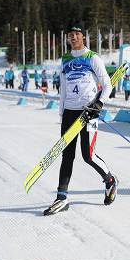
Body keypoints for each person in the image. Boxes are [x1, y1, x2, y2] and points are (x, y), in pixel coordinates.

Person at [44, 21, 118, 216]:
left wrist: (99, 104)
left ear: (83, 36)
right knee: (66, 155)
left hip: (88, 111)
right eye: (70, 35)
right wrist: (61, 113)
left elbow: (107, 85)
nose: (73, 37)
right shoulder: (65, 59)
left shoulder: (93, 58)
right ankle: (61, 198)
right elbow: (63, 89)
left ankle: (110, 180)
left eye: (77, 34)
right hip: (69, 111)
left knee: (88, 155)